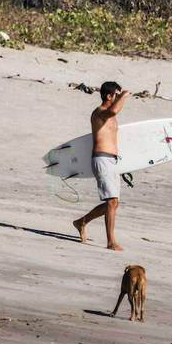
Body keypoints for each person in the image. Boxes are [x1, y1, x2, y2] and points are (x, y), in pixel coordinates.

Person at [73, 81, 130, 251]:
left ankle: (81, 222)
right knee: (111, 201)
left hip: (112, 160)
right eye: (116, 95)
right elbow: (113, 110)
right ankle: (111, 241)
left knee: (113, 203)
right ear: (109, 96)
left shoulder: (112, 117)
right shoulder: (99, 113)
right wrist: (124, 95)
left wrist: (122, 165)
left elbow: (112, 139)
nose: (118, 98)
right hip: (101, 159)